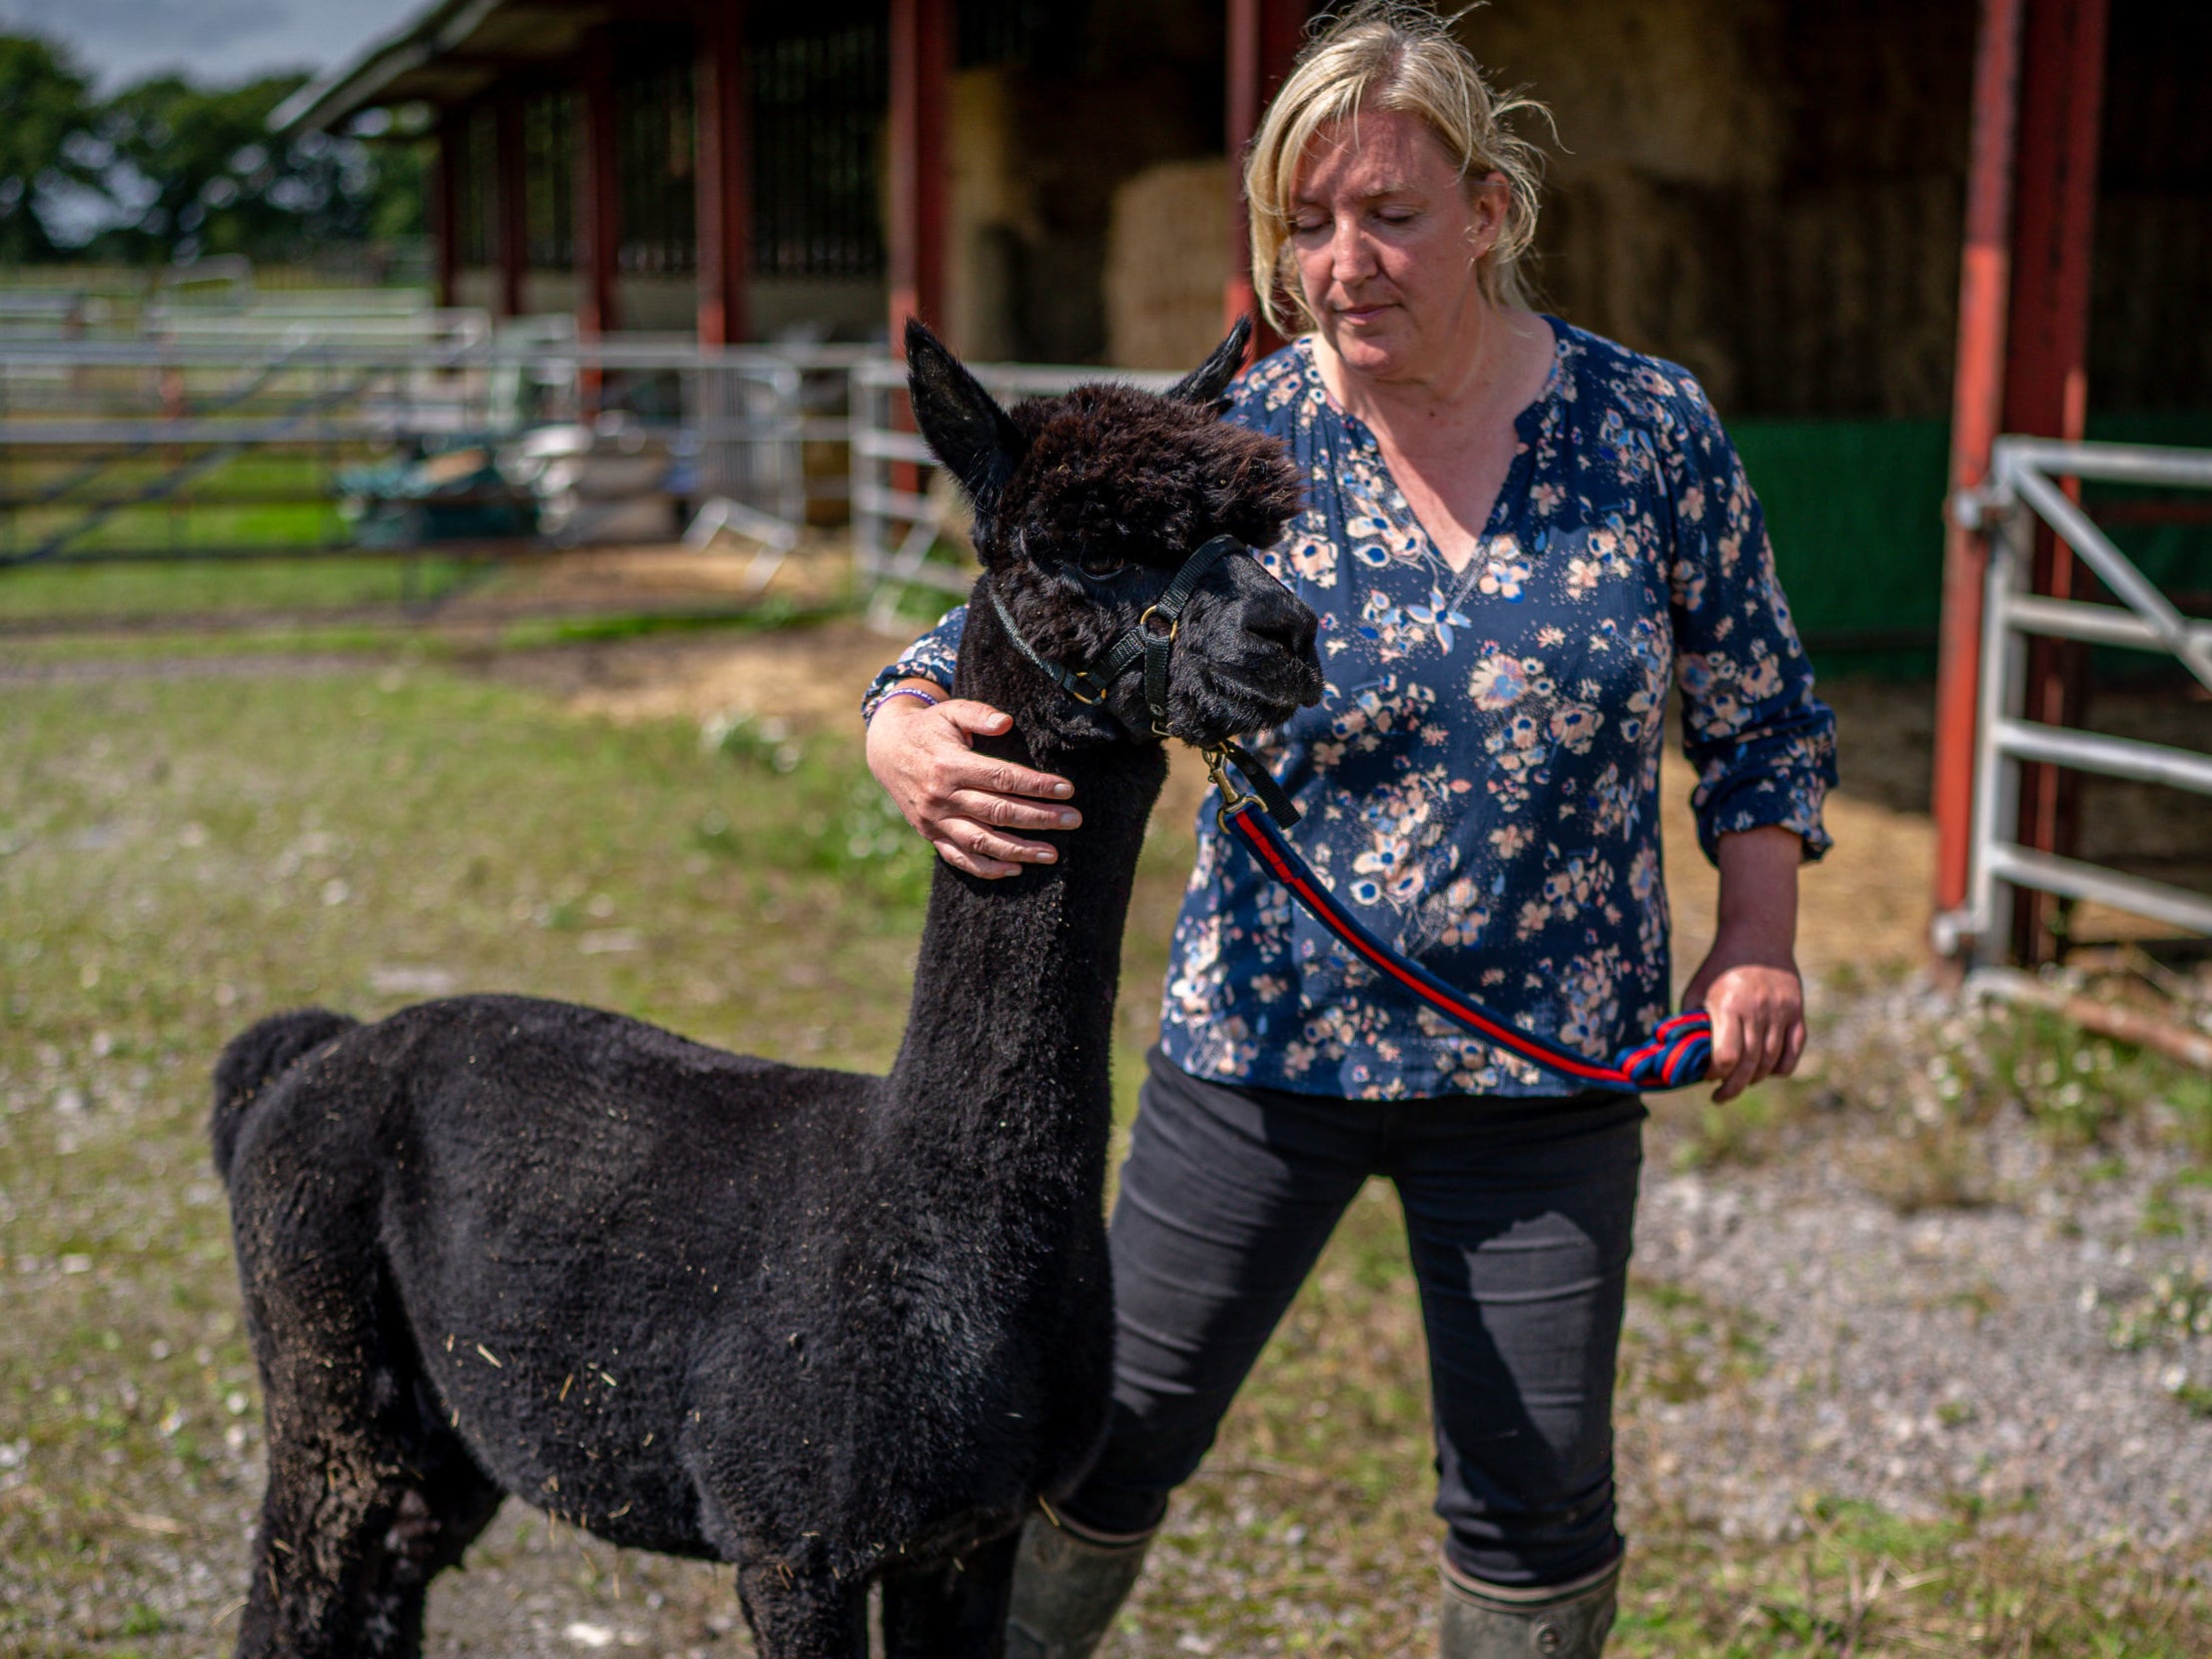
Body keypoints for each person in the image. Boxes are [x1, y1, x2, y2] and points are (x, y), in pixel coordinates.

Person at [861, 7, 1837, 1654]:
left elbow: (1758, 712)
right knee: (1110, 1429)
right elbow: (1036, 599)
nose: (1343, 261)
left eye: (1388, 212)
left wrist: (1756, 940)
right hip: (1259, 1047)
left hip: (1545, 1067)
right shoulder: (1243, 438)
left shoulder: (1648, 431)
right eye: (1305, 224)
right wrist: (895, 711)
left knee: (1534, 1500)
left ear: (1490, 211)